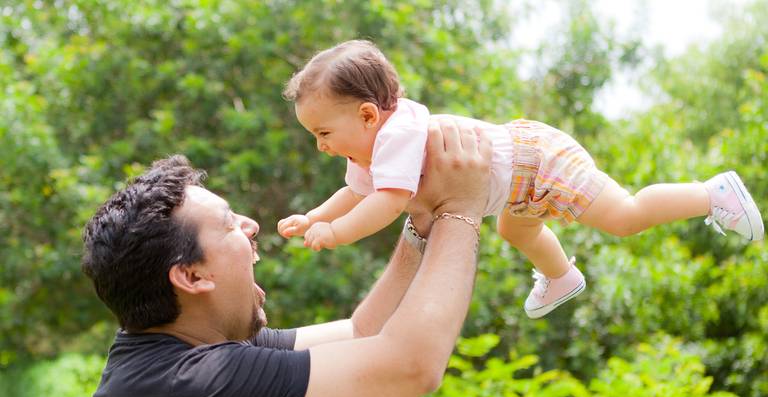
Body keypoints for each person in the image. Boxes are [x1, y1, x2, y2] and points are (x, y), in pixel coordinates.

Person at [69, 119, 492, 397]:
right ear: (192, 275)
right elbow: (411, 366)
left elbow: (363, 332)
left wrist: (421, 220)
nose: (250, 224)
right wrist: (461, 210)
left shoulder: (190, 355)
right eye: (229, 223)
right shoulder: (194, 387)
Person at [277, 39, 765, 319]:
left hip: (537, 161)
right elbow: (354, 192)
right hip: (517, 182)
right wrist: (315, 216)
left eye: (323, 132)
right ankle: (561, 277)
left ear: (367, 115)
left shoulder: (397, 133)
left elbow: (386, 202)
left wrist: (337, 233)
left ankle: (710, 193)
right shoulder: (367, 151)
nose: (320, 144)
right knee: (514, 229)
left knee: (624, 216)